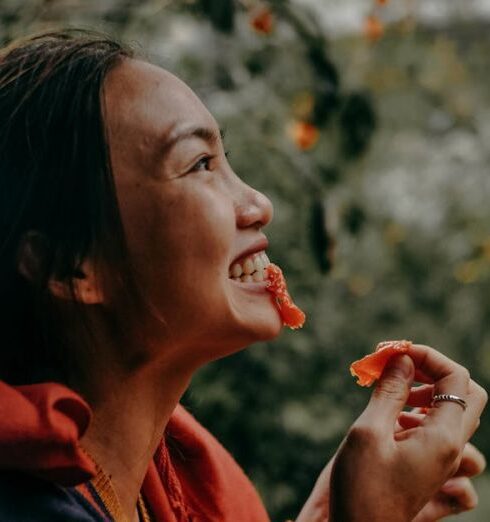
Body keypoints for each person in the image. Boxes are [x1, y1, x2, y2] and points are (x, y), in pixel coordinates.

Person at [0, 29, 486, 522]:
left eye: (224, 160)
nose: (259, 205)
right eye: (200, 164)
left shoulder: (156, 491)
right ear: (68, 266)